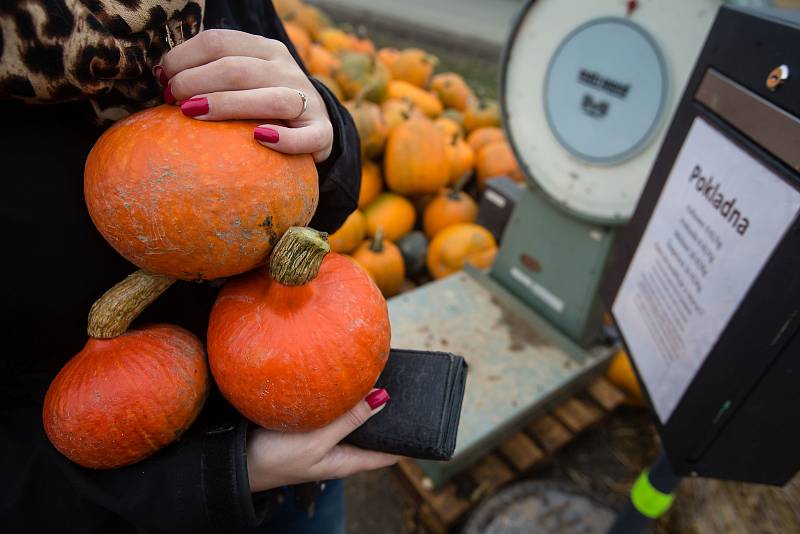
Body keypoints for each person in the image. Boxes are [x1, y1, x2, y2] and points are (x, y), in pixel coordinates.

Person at [0, 1, 397, 532]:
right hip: (121, 510)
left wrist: (323, 133)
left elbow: (312, 199)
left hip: (302, 454)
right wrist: (214, 476)